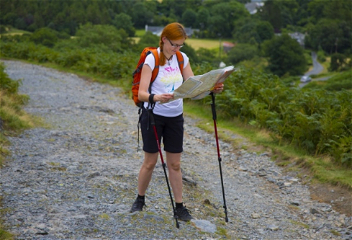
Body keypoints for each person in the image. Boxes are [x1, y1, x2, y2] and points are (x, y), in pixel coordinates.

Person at [130, 22, 224, 221]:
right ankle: (139, 199)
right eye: (174, 44)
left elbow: (193, 89)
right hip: (153, 115)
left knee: (175, 164)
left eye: (181, 45)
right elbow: (142, 94)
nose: (177, 49)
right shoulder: (151, 59)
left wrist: (210, 90)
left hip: (175, 117)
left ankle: (179, 208)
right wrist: (156, 97)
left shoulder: (182, 59)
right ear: (164, 39)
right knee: (150, 162)